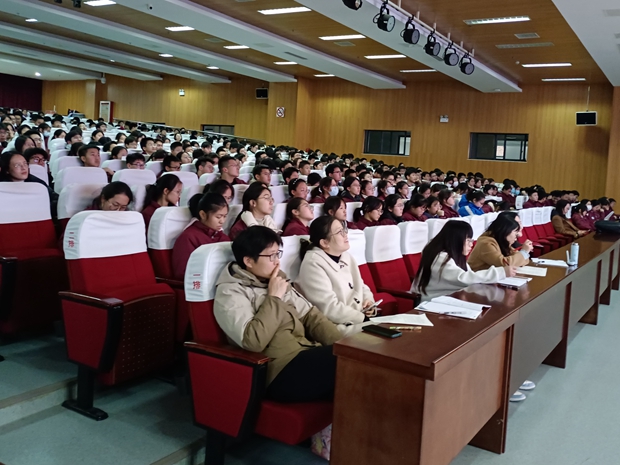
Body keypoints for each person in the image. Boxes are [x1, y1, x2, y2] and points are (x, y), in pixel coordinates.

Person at [213, 226, 342, 402]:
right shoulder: (230, 292)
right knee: (347, 366)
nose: (277, 262)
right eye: (271, 256)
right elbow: (253, 341)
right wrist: (274, 297)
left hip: (305, 352)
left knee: (357, 360)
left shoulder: (275, 280)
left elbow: (311, 317)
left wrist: (343, 346)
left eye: (277, 254)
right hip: (278, 369)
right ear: (249, 261)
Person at [296, 216, 374, 333]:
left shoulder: (346, 256)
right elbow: (329, 308)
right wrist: (362, 318)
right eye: (339, 232)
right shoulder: (313, 264)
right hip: (338, 326)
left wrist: (369, 302)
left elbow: (361, 285)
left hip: (359, 318)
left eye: (344, 230)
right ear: (324, 242)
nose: (345, 234)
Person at [411, 221, 515, 301]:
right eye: (468, 240)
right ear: (456, 240)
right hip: (432, 303)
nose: (471, 244)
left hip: (448, 299)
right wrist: (500, 272)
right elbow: (463, 279)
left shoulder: (454, 255)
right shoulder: (440, 257)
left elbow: (469, 275)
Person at [172, 193, 230, 280]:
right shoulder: (188, 237)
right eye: (218, 217)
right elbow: (182, 272)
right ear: (203, 214)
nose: (222, 221)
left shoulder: (222, 236)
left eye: (225, 216)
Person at [467, 214, 532, 271]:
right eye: (515, 231)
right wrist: (524, 252)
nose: (517, 235)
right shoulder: (486, 243)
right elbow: (504, 264)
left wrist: (523, 254)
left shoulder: (501, 241)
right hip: (477, 279)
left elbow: (525, 260)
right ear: (506, 231)